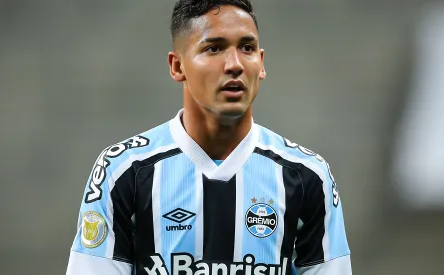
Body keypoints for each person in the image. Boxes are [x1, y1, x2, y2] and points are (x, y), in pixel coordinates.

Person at [65, 0, 352, 274]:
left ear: (261, 63)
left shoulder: (307, 176)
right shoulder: (123, 172)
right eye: (214, 48)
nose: (234, 64)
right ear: (177, 66)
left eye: (247, 47)